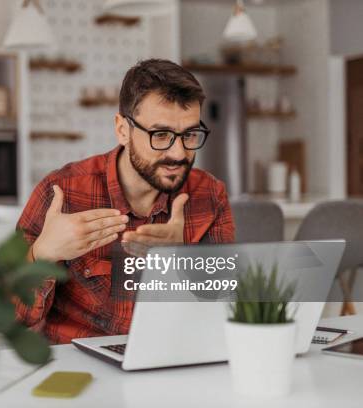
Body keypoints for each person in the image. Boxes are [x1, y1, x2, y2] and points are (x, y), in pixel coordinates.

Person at [15, 59, 235, 344]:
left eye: (190, 134)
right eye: (162, 135)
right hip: (77, 367)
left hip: (170, 358)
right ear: (123, 130)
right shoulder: (62, 192)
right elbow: (8, 319)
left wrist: (181, 262)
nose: (179, 153)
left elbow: (226, 306)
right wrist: (42, 254)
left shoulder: (209, 194)